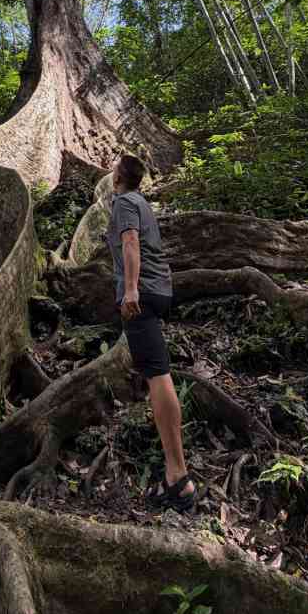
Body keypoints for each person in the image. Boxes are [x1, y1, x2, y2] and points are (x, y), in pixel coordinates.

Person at [106, 153, 196, 512]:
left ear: (119, 176)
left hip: (141, 294)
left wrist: (130, 290)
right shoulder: (141, 202)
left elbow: (130, 242)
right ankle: (176, 473)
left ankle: (178, 476)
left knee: (158, 376)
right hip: (159, 291)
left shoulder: (126, 202)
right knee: (157, 371)